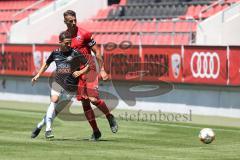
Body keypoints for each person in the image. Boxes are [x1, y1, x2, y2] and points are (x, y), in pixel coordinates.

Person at [64, 10, 118, 140]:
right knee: (85, 103)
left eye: (75, 20)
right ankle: (96, 131)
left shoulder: (85, 34)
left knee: (93, 99)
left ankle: (109, 116)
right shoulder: (65, 37)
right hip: (78, 72)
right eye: (70, 21)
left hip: (90, 70)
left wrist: (103, 69)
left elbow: (97, 52)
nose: (73, 23)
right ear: (65, 22)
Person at [31, 31, 89, 139]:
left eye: (70, 43)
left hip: (71, 88)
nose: (69, 45)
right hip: (58, 83)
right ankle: (48, 130)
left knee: (54, 112)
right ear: (60, 42)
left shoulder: (75, 53)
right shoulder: (55, 53)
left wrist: (81, 72)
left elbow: (88, 66)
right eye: (66, 43)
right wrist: (38, 75)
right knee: (54, 101)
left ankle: (39, 125)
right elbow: (47, 63)